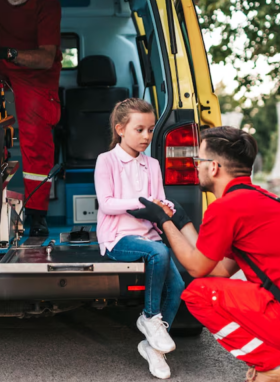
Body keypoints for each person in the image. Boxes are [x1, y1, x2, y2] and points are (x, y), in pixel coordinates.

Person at [127, 126, 280, 382]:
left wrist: (162, 221)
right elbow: (218, 269)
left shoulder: (227, 208)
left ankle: (273, 367)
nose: (195, 167)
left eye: (198, 160)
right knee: (213, 287)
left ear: (213, 167)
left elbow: (197, 269)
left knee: (197, 294)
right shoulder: (259, 200)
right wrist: (182, 221)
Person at [94, 99, 185, 380]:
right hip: (117, 237)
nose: (147, 136)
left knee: (178, 286)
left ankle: (153, 349)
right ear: (120, 129)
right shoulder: (106, 160)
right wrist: (146, 202)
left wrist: (165, 206)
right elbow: (107, 204)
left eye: (151, 129)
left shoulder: (153, 164)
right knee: (159, 253)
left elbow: (158, 200)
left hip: (148, 234)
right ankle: (149, 317)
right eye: (139, 129)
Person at [0, 0, 62, 237]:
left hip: (36, 75)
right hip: (1, 64)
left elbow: (46, 57)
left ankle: (37, 214)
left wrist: (7, 53)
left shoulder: (48, 2)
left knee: (36, 141)